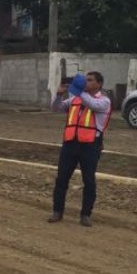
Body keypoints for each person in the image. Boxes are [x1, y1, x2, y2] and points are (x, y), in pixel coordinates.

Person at [46, 72, 112, 226]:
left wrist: (78, 90)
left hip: (90, 145)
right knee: (61, 179)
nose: (86, 83)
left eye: (90, 80)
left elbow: (92, 105)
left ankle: (86, 214)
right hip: (70, 143)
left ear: (99, 84)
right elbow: (56, 108)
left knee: (89, 181)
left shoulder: (104, 101)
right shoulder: (75, 99)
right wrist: (58, 94)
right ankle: (57, 211)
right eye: (85, 80)